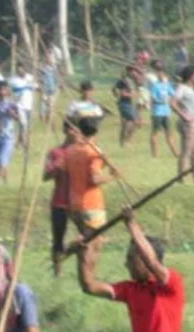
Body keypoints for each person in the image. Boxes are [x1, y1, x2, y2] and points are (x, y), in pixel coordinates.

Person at [65, 117, 115, 247]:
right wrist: (113, 177)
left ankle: (76, 243)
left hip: (74, 203)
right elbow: (94, 179)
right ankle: (71, 246)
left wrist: (103, 162)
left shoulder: (71, 150)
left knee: (85, 244)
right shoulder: (93, 152)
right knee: (94, 244)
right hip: (91, 204)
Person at [43, 121, 75, 276]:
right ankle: (58, 272)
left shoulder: (85, 151)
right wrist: (57, 167)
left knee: (88, 237)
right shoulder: (55, 152)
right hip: (60, 202)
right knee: (58, 238)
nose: (75, 133)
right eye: (71, 129)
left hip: (79, 203)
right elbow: (45, 176)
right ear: (65, 131)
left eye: (77, 130)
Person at [171, 66, 194, 185]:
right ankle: (181, 178)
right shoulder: (182, 88)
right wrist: (183, 115)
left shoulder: (191, 89)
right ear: (190, 76)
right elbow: (173, 103)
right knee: (186, 152)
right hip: (187, 125)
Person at [0, 81, 20, 184]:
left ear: (7, 90)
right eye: (0, 89)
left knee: (3, 158)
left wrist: (12, 114)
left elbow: (17, 118)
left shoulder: (11, 104)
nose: (2, 91)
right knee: (0, 161)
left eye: (4, 89)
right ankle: (5, 181)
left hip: (8, 136)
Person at [148, 60, 179, 158]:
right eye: (160, 74)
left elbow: (174, 94)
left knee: (169, 133)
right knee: (155, 133)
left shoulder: (167, 85)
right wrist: (162, 101)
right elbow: (153, 98)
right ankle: (155, 154)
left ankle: (176, 153)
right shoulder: (155, 86)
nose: (162, 76)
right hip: (157, 112)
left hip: (166, 112)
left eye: (163, 74)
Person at [8, 63, 36, 146]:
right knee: (23, 123)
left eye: (22, 69)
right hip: (19, 105)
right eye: (19, 70)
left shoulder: (30, 78)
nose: (20, 71)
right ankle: (23, 141)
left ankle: (20, 139)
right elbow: (9, 91)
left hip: (29, 104)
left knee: (26, 124)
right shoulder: (13, 80)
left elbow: (35, 87)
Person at [112, 66, 140, 147]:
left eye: (134, 71)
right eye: (132, 71)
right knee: (135, 122)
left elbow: (114, 89)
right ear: (128, 71)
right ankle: (127, 140)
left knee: (125, 123)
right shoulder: (124, 81)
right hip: (125, 104)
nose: (134, 72)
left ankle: (122, 142)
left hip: (131, 104)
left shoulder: (132, 81)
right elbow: (121, 93)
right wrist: (130, 95)